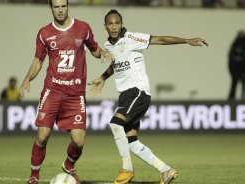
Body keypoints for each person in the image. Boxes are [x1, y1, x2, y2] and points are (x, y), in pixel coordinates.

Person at [89, 9, 208, 184]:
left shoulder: (131, 38)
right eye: (110, 23)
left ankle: (127, 170)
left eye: (116, 23)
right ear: (105, 26)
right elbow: (117, 64)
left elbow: (159, 39)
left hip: (137, 92)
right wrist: (102, 78)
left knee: (115, 124)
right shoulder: (108, 46)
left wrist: (186, 40)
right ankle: (166, 170)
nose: (114, 27)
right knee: (131, 141)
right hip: (125, 95)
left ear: (121, 24)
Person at [19, 0, 113, 184]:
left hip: (75, 94)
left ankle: (69, 164)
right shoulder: (44, 33)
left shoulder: (83, 28)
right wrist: (27, 79)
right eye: (57, 7)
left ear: (68, 7)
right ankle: (34, 176)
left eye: (63, 6)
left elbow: (93, 48)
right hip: (52, 91)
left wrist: (103, 53)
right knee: (42, 136)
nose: (60, 10)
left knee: (78, 142)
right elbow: (38, 60)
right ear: (51, 8)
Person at [228, 30, 245, 100]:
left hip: (243, 69)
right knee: (234, 85)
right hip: (235, 70)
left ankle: (243, 99)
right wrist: (232, 69)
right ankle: (231, 99)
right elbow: (230, 57)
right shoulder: (234, 45)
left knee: (244, 85)